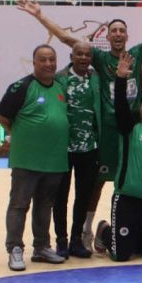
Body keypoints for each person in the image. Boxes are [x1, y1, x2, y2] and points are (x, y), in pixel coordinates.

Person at [17, 0, 142, 252]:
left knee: (131, 178)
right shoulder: (100, 58)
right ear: (109, 36)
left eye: (122, 31)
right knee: (97, 182)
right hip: (108, 131)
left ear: (126, 35)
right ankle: (87, 229)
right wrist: (39, 15)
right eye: (113, 30)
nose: (117, 34)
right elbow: (67, 38)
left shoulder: (136, 53)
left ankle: (133, 224)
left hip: (133, 129)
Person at [93, 53, 142, 262]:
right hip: (127, 200)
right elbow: (120, 106)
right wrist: (120, 78)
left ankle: (135, 236)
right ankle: (104, 231)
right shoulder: (129, 129)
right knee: (121, 255)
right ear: (140, 109)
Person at [0, 45, 69, 271]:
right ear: (34, 62)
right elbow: (1, 116)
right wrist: (19, 137)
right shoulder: (22, 86)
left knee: (45, 204)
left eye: (52, 59)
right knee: (19, 205)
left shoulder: (60, 86)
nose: (48, 64)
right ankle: (15, 249)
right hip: (27, 159)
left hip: (54, 159)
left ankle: (41, 247)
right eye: (43, 60)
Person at [53, 41, 101, 259]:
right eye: (79, 54)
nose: (83, 58)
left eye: (87, 54)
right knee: (60, 196)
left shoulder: (95, 78)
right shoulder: (60, 78)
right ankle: (61, 241)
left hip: (89, 147)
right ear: (71, 56)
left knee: (83, 196)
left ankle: (76, 240)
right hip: (63, 147)